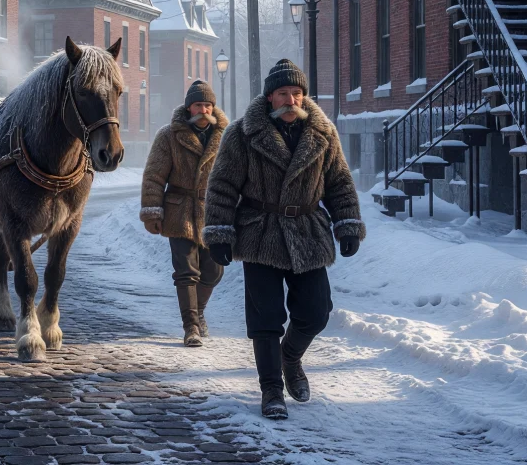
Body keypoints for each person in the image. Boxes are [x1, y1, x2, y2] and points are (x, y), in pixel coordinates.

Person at [203, 58, 364, 420]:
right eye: (283, 94)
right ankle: (272, 390)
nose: (291, 100)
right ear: (270, 98)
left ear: (304, 98)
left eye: (297, 94)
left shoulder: (323, 133)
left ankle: (290, 357)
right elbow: (222, 186)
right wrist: (219, 232)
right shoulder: (243, 133)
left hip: (307, 232)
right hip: (260, 232)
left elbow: (339, 183)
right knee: (267, 318)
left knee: (316, 311)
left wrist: (348, 224)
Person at [140, 79, 230, 348]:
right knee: (186, 271)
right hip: (179, 210)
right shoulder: (169, 135)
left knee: (214, 271)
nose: (203, 110)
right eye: (198, 105)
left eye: (207, 105)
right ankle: (190, 325)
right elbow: (154, 176)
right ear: (189, 108)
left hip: (214, 212)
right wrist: (152, 211)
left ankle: (199, 310)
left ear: (213, 109)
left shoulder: (226, 137)